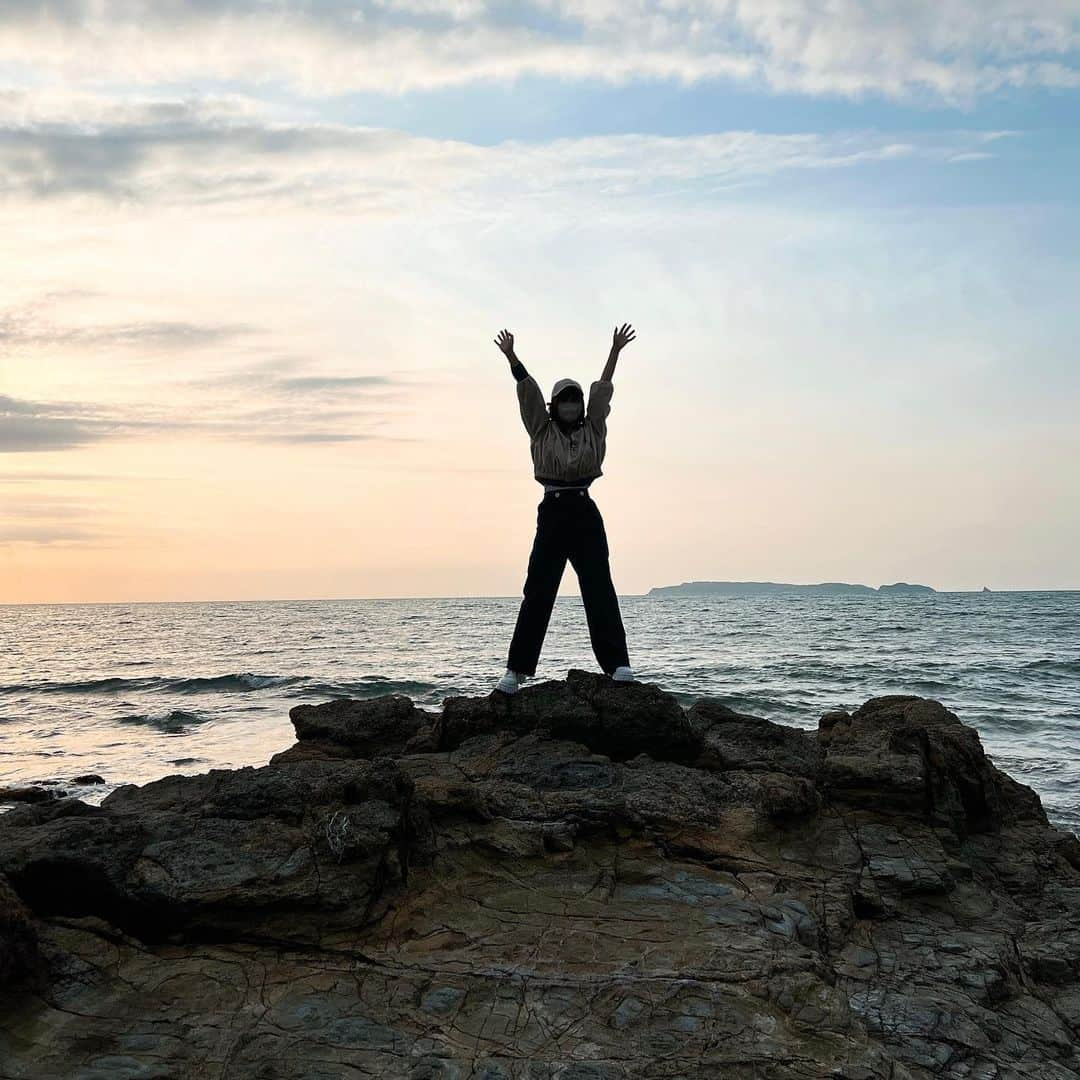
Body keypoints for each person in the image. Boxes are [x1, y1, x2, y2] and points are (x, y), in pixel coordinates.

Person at [492, 323, 637, 694]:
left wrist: (615, 352)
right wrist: (512, 357)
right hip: (553, 511)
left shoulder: (594, 428)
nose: (571, 405)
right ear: (555, 406)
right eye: (565, 400)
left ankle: (618, 665)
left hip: (585, 512)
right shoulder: (541, 429)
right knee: (538, 591)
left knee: (599, 587)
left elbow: (602, 392)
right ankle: (517, 670)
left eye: (575, 400)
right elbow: (528, 391)